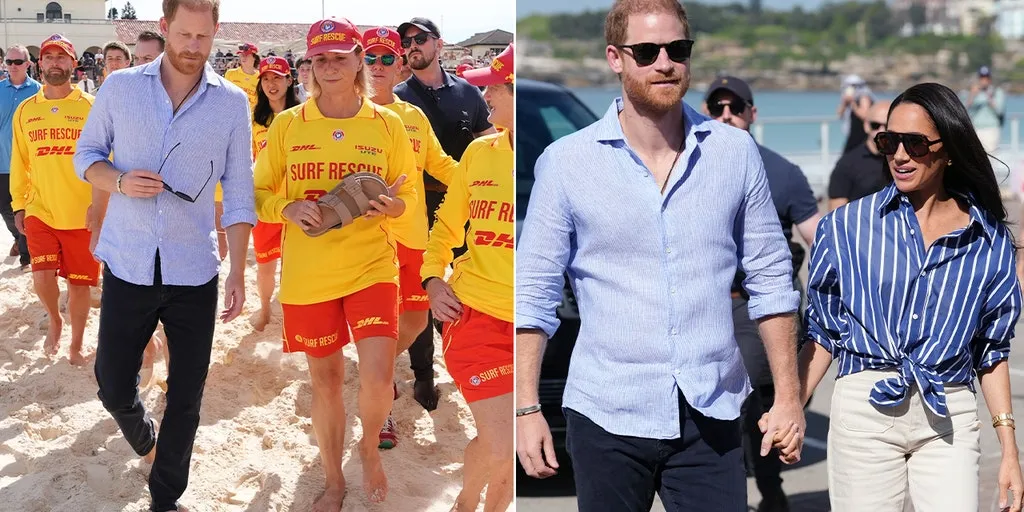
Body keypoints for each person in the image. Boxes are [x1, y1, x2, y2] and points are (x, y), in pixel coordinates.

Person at [516, 1, 806, 510]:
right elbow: (533, 292)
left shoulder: (734, 153)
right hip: (606, 410)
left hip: (712, 412)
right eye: (647, 51)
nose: (665, 62)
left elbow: (772, 279)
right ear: (615, 58)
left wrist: (787, 397)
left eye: (678, 49)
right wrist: (525, 410)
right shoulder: (566, 163)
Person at [793, 82, 1024, 511]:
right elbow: (824, 331)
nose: (899, 155)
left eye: (915, 143)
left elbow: (991, 349)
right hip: (866, 405)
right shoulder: (846, 227)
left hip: (949, 409)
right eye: (889, 141)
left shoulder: (987, 239)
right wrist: (791, 406)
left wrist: (1009, 450)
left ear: (948, 148)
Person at [73, 0, 255, 509]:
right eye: (183, 35)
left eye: (203, 37)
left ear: (216, 31)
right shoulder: (121, 87)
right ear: (163, 28)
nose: (192, 48)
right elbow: (86, 156)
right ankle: (144, 439)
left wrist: (239, 268)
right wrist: (119, 182)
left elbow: (239, 191)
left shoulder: (232, 103)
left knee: (187, 396)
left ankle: (165, 497)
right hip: (128, 262)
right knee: (111, 385)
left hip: (194, 269)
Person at [253, 18, 416, 508]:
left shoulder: (387, 124)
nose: (329, 67)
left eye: (340, 57)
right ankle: (333, 479)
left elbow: (405, 191)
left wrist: (394, 208)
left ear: (359, 61)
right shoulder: (287, 126)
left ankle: (368, 448)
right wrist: (286, 208)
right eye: (320, 58)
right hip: (309, 275)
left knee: (377, 377)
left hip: (371, 265)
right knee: (323, 384)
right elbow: (257, 191)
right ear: (309, 64)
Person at [704, 75, 821, 512]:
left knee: (746, 408)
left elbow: (818, 238)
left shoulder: (783, 173)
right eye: (717, 108)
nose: (726, 115)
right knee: (742, 413)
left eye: (736, 107)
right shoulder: (689, 164)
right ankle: (766, 496)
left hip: (756, 307)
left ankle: (767, 495)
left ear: (753, 113)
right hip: (707, 305)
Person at [422, 43, 515, 512]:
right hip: (475, 316)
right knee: (504, 445)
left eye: (496, 87)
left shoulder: (564, 164)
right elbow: (443, 228)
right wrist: (432, 279)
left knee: (510, 448)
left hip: (537, 328)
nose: (488, 97)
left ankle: (476, 502)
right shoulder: (481, 153)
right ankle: (464, 503)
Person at [363, 25, 459, 449]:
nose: (379, 66)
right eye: (370, 58)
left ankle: (378, 374)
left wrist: (488, 177)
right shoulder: (347, 114)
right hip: (368, 242)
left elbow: (441, 164)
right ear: (357, 62)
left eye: (387, 59)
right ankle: (382, 410)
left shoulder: (414, 116)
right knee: (381, 330)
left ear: (400, 64)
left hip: (414, 237)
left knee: (416, 322)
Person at [394, 16, 495, 412]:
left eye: (420, 38)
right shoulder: (399, 98)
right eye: (407, 41)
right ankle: (423, 375)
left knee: (463, 286)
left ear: (439, 44)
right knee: (424, 289)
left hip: (466, 205)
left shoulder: (469, 93)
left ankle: (461, 357)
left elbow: (490, 142)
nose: (412, 45)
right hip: (417, 207)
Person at [10, 34, 97, 366]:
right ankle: (54, 319)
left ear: (73, 65)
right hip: (40, 208)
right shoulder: (26, 111)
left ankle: (75, 344)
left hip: (81, 212)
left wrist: (100, 205)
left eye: (63, 57)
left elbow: (107, 157)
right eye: (49, 57)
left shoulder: (91, 106)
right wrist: (19, 203)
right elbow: (21, 160)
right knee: (42, 276)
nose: (55, 62)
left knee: (79, 287)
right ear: (40, 63)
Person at [250, 55, 300, 332]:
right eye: (266, 78)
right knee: (265, 263)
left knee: (295, 264)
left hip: (297, 200)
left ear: (289, 80)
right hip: (267, 202)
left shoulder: (303, 116)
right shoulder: (257, 120)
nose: (271, 84)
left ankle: (292, 312)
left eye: (277, 78)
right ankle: (266, 308)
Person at [0, 45, 41, 271]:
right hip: (1, 162)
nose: (13, 66)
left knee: (24, 208)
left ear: (28, 64)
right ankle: (17, 236)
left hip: (28, 165)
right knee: (5, 208)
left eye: (18, 62)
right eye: (9, 62)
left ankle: (26, 258)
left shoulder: (39, 92)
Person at [827, 100, 892, 211]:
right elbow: (836, 215)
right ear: (866, 126)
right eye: (875, 125)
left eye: (887, 126)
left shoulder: (902, 160)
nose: (881, 131)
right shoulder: (847, 164)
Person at [963, 65, 1005, 153]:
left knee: (991, 156)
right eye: (982, 77)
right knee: (975, 157)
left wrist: (988, 95)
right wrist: (972, 95)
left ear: (990, 79)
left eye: (986, 77)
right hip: (975, 128)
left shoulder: (997, 92)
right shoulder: (971, 92)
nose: (984, 80)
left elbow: (1000, 111)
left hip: (991, 129)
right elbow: (963, 111)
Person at [837, 74, 873, 154]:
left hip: (862, 134)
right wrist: (844, 103)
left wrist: (853, 103)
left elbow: (865, 115)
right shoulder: (848, 99)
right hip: (853, 133)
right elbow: (839, 114)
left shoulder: (864, 97)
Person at [225, 42, 259, 110]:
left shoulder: (260, 78)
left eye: (246, 55)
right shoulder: (230, 74)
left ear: (254, 57)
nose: (243, 57)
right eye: (241, 54)